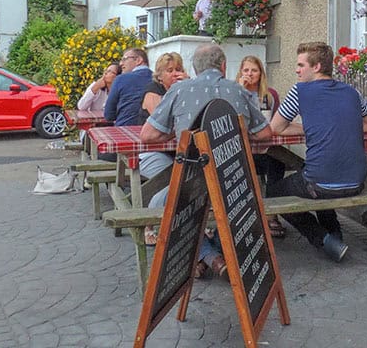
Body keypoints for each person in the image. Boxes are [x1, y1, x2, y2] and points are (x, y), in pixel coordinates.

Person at [141, 43, 273, 278]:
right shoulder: (239, 91)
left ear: (194, 67)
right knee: (220, 203)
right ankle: (216, 257)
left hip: (193, 182)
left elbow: (148, 135)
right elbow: (264, 134)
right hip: (233, 182)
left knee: (166, 203)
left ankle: (206, 258)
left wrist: (179, 130)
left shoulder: (179, 90)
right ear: (223, 66)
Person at [269, 42, 367, 262]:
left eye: (301, 65)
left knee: (274, 193)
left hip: (320, 184)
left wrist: (314, 127)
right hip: (356, 183)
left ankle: (323, 239)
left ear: (317, 66)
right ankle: (336, 235)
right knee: (311, 172)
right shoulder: (351, 91)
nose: (297, 70)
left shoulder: (299, 91)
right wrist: (341, 125)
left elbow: (275, 128)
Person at [137, 52, 189, 246]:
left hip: (174, 152)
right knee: (172, 179)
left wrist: (188, 86)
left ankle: (187, 225)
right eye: (169, 71)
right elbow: (167, 120)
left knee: (192, 177)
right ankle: (150, 224)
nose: (175, 74)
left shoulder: (183, 89)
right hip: (149, 152)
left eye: (178, 69)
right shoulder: (152, 91)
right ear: (159, 75)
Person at [236, 55, 287, 238]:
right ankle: (245, 217)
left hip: (266, 148)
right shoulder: (234, 92)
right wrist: (240, 91)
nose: (250, 74)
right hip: (243, 150)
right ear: (240, 72)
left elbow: (277, 122)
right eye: (246, 70)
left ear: (261, 73)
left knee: (278, 163)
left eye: (254, 70)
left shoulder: (269, 95)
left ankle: (271, 215)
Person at [101, 48, 152, 162]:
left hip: (125, 144)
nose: (121, 63)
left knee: (98, 152)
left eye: (124, 59)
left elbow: (109, 115)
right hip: (154, 143)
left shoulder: (121, 79)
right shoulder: (158, 79)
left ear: (138, 60)